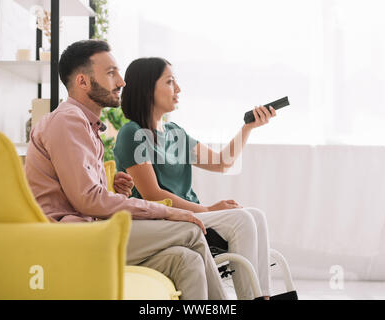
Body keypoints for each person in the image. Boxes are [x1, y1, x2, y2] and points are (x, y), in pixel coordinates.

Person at [24, 40, 228, 300]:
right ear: (83, 82)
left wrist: (110, 188)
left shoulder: (86, 125)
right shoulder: (68, 121)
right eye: (111, 73)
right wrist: (166, 211)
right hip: (73, 239)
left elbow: (78, 193)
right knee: (189, 230)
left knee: (186, 260)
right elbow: (87, 200)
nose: (121, 81)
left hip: (90, 229)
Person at [113, 57, 277, 300]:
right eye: (169, 82)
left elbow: (223, 162)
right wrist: (207, 209)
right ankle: (248, 299)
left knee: (256, 216)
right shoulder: (133, 133)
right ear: (147, 89)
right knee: (242, 219)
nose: (178, 89)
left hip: (191, 215)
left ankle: (263, 297)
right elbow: (153, 195)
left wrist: (247, 128)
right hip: (163, 221)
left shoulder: (174, 133)